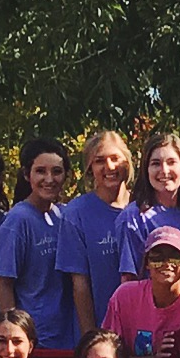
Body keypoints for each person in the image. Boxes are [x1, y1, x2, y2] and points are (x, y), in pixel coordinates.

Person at [0, 139, 80, 350]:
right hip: (35, 337)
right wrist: (14, 336)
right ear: (26, 174)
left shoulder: (63, 215)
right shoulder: (17, 220)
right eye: (40, 171)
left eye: (57, 171)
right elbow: (4, 283)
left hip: (66, 333)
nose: (49, 179)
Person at [58, 127, 139, 334]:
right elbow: (80, 284)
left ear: (127, 162)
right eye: (99, 160)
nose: (109, 166)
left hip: (143, 327)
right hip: (100, 326)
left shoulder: (143, 207)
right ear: (89, 168)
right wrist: (90, 336)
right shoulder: (76, 213)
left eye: (115, 158)